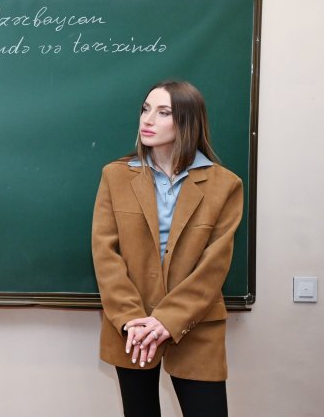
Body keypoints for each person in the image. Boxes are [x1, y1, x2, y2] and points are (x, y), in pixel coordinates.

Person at [92, 81, 243, 417]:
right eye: (146, 109)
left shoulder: (225, 185)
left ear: (187, 122)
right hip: (132, 327)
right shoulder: (115, 176)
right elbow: (105, 255)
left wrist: (167, 319)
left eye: (163, 113)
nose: (148, 120)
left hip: (196, 325)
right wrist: (131, 319)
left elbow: (214, 266)